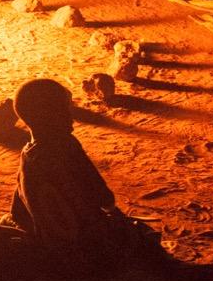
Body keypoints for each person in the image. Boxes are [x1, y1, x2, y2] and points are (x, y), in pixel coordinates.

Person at [8, 78, 128, 270]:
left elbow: (18, 209)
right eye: (64, 111)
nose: (70, 117)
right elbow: (99, 192)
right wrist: (113, 212)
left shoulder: (27, 155)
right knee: (136, 238)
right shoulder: (67, 145)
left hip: (52, 244)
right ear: (46, 116)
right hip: (87, 244)